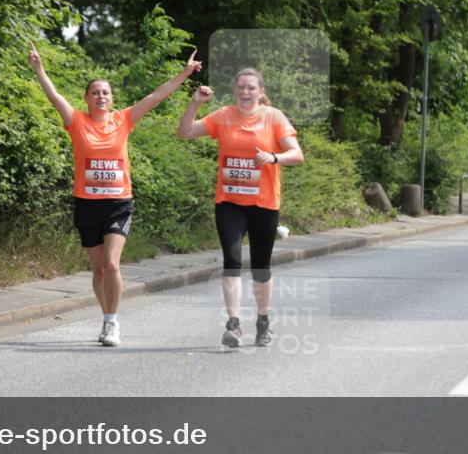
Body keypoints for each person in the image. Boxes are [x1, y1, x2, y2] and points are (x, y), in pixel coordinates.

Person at [29, 42, 202, 347]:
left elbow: (156, 96)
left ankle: (112, 322)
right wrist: (39, 68)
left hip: (118, 203)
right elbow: (54, 96)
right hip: (86, 204)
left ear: (111, 99)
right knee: (97, 270)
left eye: (105, 92)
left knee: (111, 265)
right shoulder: (76, 121)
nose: (100, 96)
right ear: (86, 98)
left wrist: (185, 73)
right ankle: (106, 315)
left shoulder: (123, 119)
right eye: (95, 92)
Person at [177, 68, 303, 348]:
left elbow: (297, 154)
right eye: (240, 88)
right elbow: (184, 132)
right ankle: (233, 324)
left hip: (264, 203)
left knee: (261, 267)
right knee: (232, 261)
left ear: (261, 92)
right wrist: (195, 102)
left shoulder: (274, 117)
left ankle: (263, 321)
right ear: (234, 91)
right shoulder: (223, 116)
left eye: (251, 88)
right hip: (230, 202)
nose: (245, 93)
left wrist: (273, 157)